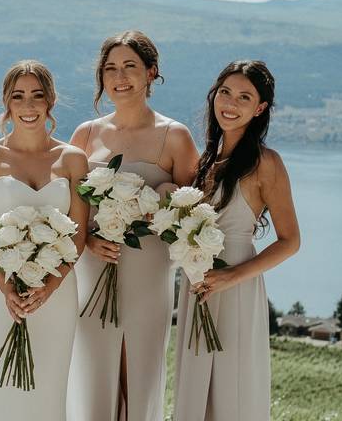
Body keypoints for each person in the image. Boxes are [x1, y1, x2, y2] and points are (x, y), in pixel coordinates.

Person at [68, 31, 198, 421]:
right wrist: (88, 240)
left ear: (150, 73)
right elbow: (71, 210)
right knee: (94, 371)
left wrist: (159, 204)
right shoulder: (85, 134)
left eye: (129, 67)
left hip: (147, 270)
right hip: (94, 270)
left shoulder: (175, 136)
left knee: (139, 369)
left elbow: (192, 214)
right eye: (110, 68)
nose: (119, 77)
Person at [172, 60, 300, 421]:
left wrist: (233, 277)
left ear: (259, 109)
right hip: (198, 286)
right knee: (196, 383)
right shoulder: (206, 159)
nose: (230, 103)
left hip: (237, 284)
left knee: (233, 385)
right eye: (225, 92)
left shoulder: (266, 163)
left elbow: (290, 241)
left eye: (244, 97)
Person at [0, 59, 89, 421]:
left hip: (57, 293)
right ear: (7, 103)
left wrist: (50, 287)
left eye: (37, 95)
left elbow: (79, 234)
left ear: (50, 100)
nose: (29, 105)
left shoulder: (73, 159)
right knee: (4, 392)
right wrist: (6, 286)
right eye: (19, 96)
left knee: (50, 391)